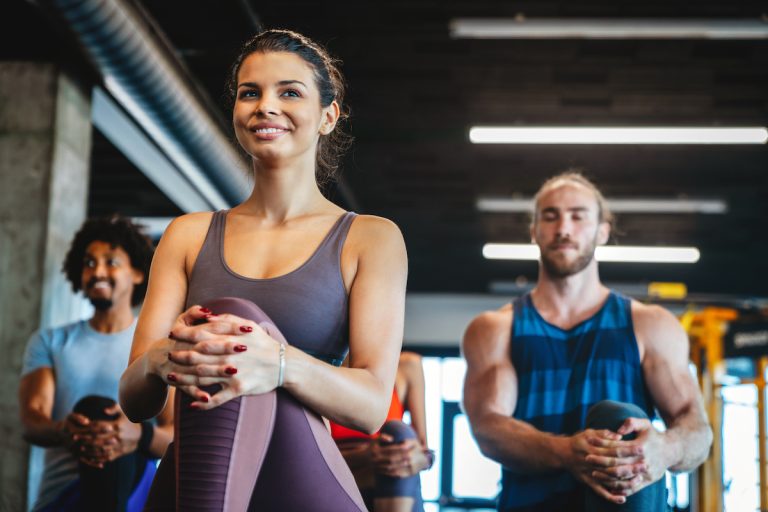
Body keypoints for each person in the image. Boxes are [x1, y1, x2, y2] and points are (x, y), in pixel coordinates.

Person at [118, 29, 407, 511]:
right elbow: (134, 400)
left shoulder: (371, 238)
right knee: (225, 319)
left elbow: (372, 406)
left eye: (289, 92)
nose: (265, 106)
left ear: (327, 116)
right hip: (192, 482)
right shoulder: (188, 235)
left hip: (301, 482)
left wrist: (274, 363)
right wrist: (160, 358)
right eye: (250, 93)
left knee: (231, 315)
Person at [461, 172, 713, 511]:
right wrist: (566, 452)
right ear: (534, 231)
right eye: (550, 216)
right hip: (532, 505)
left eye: (578, 216)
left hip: (624, 502)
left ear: (602, 231)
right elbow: (488, 426)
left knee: (619, 414)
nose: (563, 228)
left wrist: (665, 448)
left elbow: (696, 427)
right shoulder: (495, 328)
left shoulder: (651, 324)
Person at [19, 215, 174, 512]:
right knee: (94, 410)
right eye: (89, 263)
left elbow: (174, 436)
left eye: (111, 262)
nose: (97, 271)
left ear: (138, 274)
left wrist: (136, 434)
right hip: (63, 495)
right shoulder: (50, 342)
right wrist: (66, 431)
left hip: (133, 493)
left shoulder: (157, 347)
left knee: (104, 412)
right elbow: (32, 421)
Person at [331, 351, 433, 512]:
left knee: (398, 432)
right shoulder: (323, 367)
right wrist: (365, 455)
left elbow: (424, 452)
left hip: (392, 483)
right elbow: (310, 458)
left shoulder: (407, 366)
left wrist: (417, 457)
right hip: (338, 478)